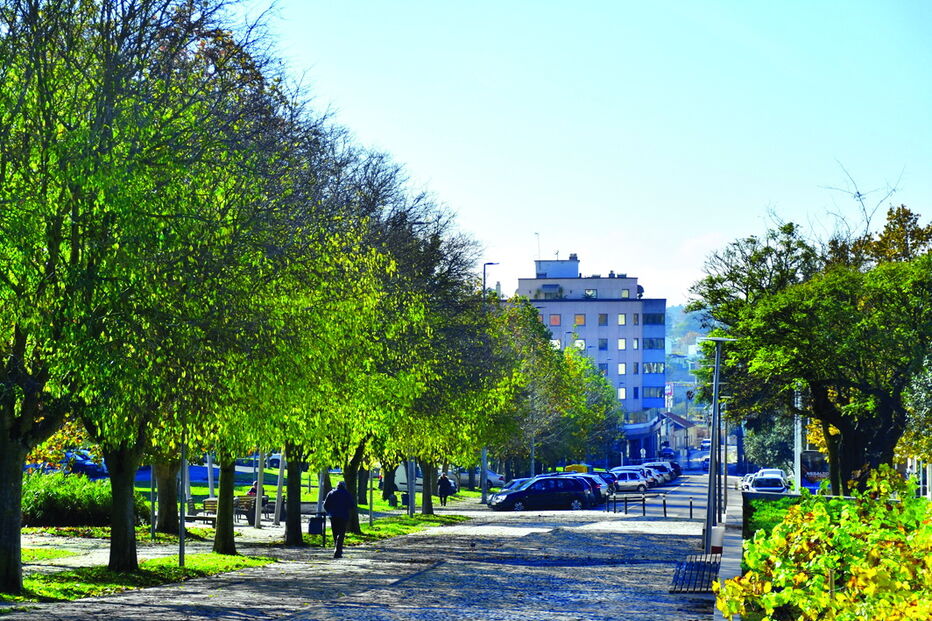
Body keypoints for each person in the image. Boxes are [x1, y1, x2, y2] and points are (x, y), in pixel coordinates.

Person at [323, 480, 352, 559]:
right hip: (343, 516)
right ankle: (338, 550)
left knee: (335, 532)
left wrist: (329, 512)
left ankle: (336, 548)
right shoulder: (347, 494)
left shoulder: (331, 493)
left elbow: (325, 505)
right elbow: (351, 505)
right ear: (344, 486)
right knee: (341, 533)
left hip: (333, 516)